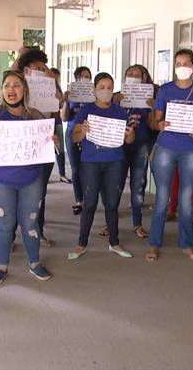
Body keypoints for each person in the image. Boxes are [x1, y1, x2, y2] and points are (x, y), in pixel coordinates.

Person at [0, 70, 56, 286]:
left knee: (30, 222)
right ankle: (1, 266)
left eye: (17, 85)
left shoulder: (35, 116)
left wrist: (52, 140)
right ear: (2, 89)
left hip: (31, 178)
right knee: (4, 223)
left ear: (24, 89)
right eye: (7, 85)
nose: (12, 90)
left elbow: (46, 143)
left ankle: (35, 262)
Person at [146, 48, 193, 262]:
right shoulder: (165, 90)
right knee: (161, 197)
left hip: (191, 148)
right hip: (166, 146)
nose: (182, 67)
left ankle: (186, 244)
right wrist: (160, 124)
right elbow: (154, 121)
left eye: (186, 63)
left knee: (186, 199)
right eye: (178, 63)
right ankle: (154, 243)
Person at [68, 72, 135, 260]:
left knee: (112, 204)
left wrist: (129, 135)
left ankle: (114, 242)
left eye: (109, 88)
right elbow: (74, 138)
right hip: (91, 162)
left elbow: (129, 140)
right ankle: (82, 243)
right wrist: (82, 130)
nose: (106, 91)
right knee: (89, 203)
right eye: (102, 88)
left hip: (114, 161)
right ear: (94, 90)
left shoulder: (120, 112)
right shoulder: (86, 111)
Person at [14, 49, 61, 247]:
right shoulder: (16, 86)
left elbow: (60, 99)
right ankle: (13, 235)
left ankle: (38, 232)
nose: (41, 71)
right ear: (25, 69)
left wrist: (47, 73)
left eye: (43, 67)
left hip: (44, 145)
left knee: (40, 192)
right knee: (17, 191)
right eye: (37, 68)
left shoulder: (50, 86)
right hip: (22, 145)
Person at [111, 64, 158, 238]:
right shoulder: (117, 96)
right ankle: (111, 223)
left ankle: (137, 224)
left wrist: (154, 107)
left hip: (141, 144)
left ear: (144, 78)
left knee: (138, 185)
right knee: (115, 185)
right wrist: (115, 100)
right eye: (129, 73)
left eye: (137, 74)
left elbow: (154, 124)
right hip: (119, 144)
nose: (132, 76)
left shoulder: (150, 98)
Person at [165, 62, 193, 226]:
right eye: (179, 65)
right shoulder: (169, 90)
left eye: (190, 68)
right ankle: (172, 208)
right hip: (173, 142)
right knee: (175, 176)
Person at [62, 66, 93, 215]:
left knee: (87, 167)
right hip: (71, 131)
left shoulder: (93, 95)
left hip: (89, 133)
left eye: (87, 76)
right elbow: (64, 117)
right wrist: (66, 102)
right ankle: (78, 200)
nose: (85, 79)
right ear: (76, 79)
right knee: (75, 168)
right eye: (81, 76)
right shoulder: (71, 94)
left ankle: (89, 198)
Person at [50, 68, 71, 183]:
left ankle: (62, 173)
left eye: (57, 77)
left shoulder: (58, 88)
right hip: (45, 121)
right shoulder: (42, 86)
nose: (55, 79)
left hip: (57, 120)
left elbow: (62, 104)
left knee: (60, 148)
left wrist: (63, 100)